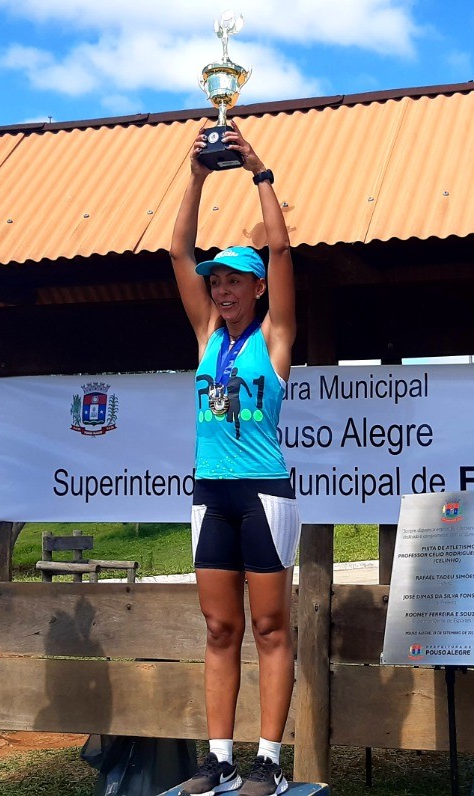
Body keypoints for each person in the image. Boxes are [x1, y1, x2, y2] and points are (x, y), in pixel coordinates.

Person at [170, 122, 299, 796]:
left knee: (271, 628)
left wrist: (259, 172)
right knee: (220, 627)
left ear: (257, 288)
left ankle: (269, 760)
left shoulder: (274, 337)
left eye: (235, 281)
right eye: (215, 281)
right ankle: (219, 757)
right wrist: (195, 176)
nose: (222, 290)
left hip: (263, 492)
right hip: (210, 492)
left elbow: (280, 248)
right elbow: (177, 250)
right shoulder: (206, 336)